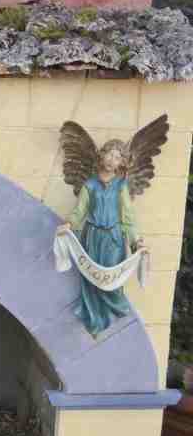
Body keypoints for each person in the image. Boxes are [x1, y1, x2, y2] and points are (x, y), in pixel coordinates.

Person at [56, 139, 146, 336]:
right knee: (91, 278)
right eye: (109, 154)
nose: (112, 160)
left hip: (113, 238)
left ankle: (113, 311)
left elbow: (128, 217)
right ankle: (93, 319)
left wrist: (136, 240)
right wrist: (69, 225)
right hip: (93, 236)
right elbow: (80, 211)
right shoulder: (90, 184)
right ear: (102, 155)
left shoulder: (121, 185)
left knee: (110, 277)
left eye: (117, 157)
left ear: (121, 163)